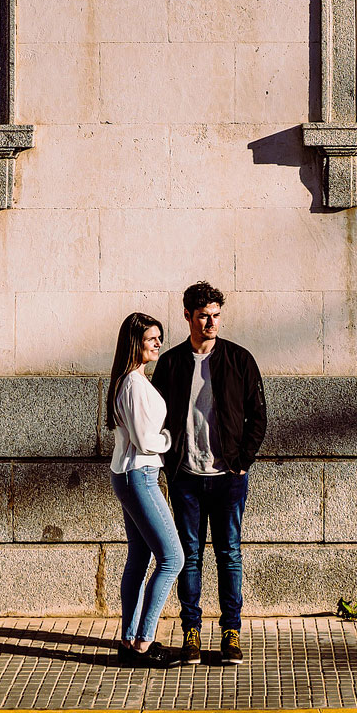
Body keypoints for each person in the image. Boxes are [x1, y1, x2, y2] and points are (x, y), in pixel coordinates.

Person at [151, 281, 267, 666]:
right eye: (203, 316)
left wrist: (242, 460)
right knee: (189, 556)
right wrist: (168, 463)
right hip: (186, 476)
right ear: (187, 316)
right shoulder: (170, 363)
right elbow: (155, 418)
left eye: (216, 315)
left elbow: (258, 417)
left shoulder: (239, 359)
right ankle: (191, 633)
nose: (211, 323)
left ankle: (231, 632)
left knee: (229, 554)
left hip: (229, 476)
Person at [106, 311, 184, 667]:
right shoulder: (134, 385)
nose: (158, 344)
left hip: (129, 473)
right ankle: (144, 642)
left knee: (139, 557)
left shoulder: (129, 380)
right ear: (135, 342)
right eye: (152, 339)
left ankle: (129, 639)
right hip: (139, 474)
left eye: (159, 338)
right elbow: (144, 439)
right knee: (173, 558)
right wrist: (169, 439)